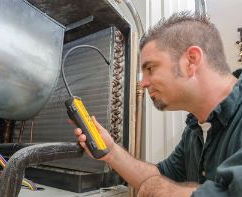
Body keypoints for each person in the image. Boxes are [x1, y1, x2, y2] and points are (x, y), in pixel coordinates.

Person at [74, 11, 242, 197]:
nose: (143, 83)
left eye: (150, 68)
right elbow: (161, 176)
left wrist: (171, 192)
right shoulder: (195, 131)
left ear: (191, 61)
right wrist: (111, 151)